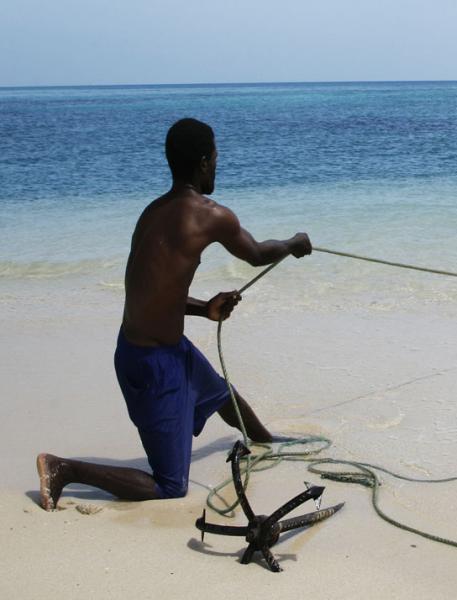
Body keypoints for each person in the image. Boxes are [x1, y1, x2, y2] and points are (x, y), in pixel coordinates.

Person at [36, 118, 312, 510]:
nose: (218, 165)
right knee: (169, 484)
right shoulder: (211, 214)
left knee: (219, 393)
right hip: (153, 364)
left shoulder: (151, 213)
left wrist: (204, 309)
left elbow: (150, 294)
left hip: (146, 349)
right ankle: (63, 469)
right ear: (203, 163)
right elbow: (256, 254)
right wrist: (294, 243)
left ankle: (265, 440)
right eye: (216, 158)